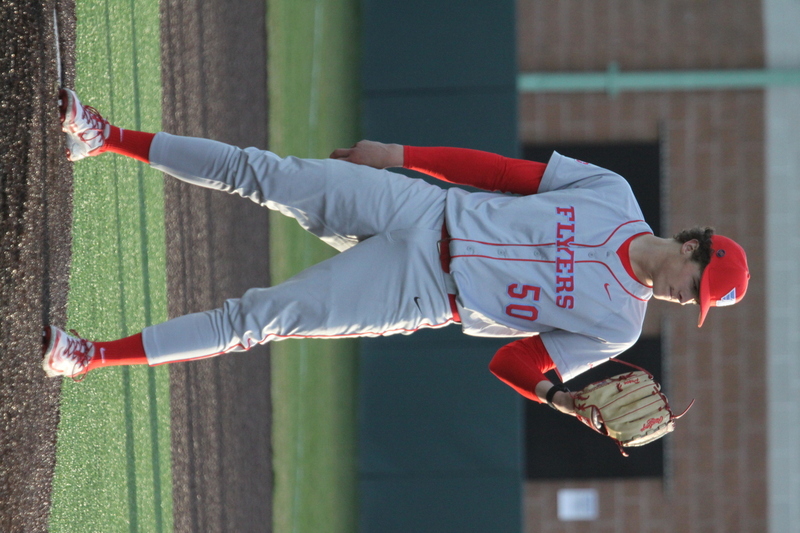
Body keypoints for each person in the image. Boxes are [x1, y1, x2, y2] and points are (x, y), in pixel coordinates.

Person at [44, 88, 750, 415]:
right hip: (420, 206)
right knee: (263, 171)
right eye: (699, 281)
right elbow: (502, 173)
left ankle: (88, 356)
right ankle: (103, 135)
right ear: (694, 243)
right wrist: (400, 155)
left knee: (259, 317)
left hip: (419, 290)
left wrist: (555, 394)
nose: (689, 297)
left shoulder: (619, 325)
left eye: (698, 301)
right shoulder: (612, 192)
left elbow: (510, 359)